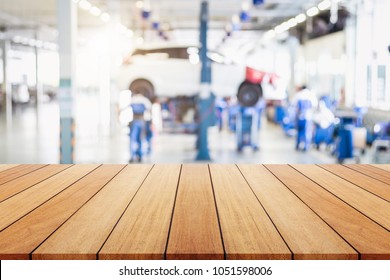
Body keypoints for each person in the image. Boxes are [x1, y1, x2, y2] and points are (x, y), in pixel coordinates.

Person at [291, 85, 318, 151]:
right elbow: (315, 105)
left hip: (299, 117)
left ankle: (298, 145)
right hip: (308, 117)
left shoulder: (298, 95)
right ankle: (306, 146)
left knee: (299, 131)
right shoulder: (311, 95)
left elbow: (293, 104)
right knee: (307, 132)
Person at [128, 92, 152, 163]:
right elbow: (149, 110)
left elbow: (124, 108)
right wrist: (150, 121)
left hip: (134, 120)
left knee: (132, 139)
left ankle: (132, 156)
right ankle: (140, 156)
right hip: (142, 121)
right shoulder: (145, 100)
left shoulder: (133, 99)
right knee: (141, 138)